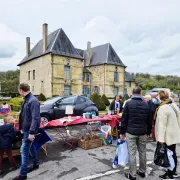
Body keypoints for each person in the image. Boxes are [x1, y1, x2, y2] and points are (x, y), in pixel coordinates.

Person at [120, 87, 151, 180]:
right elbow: (149, 120)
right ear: (141, 93)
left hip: (131, 132)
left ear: (132, 93)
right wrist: (148, 132)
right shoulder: (146, 104)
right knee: (142, 152)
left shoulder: (128, 103)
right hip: (142, 132)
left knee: (132, 153)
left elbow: (124, 119)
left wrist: (122, 131)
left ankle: (132, 175)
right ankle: (142, 171)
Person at [13, 83, 41, 180]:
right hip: (26, 129)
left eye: (19, 91)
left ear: (21, 90)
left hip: (30, 130)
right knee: (31, 147)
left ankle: (23, 174)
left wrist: (32, 132)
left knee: (23, 150)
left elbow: (35, 117)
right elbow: (24, 115)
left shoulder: (33, 101)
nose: (19, 92)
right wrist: (21, 127)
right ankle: (36, 164)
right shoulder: (26, 99)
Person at [155, 90, 180, 179]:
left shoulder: (163, 108)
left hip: (167, 136)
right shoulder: (174, 106)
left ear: (160, 97)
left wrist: (161, 139)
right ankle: (173, 172)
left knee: (169, 155)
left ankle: (170, 174)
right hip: (174, 133)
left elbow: (162, 125)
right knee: (173, 153)